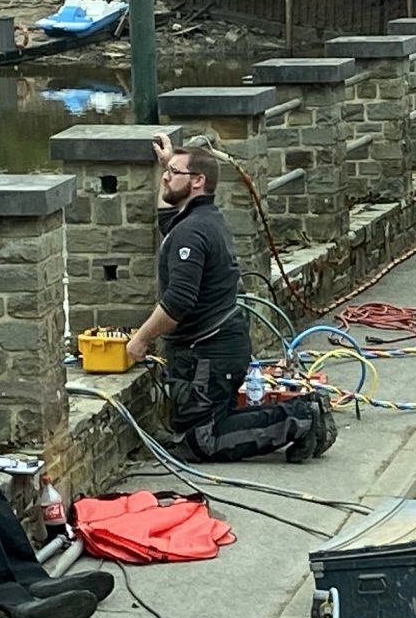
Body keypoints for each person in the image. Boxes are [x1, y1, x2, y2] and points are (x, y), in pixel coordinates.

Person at [126, 146, 335, 463]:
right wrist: (167, 164)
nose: (166, 178)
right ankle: (299, 414)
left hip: (210, 354)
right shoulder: (200, 218)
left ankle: (301, 417)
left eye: (173, 173)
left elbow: (179, 301)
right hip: (217, 348)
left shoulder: (193, 230)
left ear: (198, 181)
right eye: (167, 173)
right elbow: (166, 216)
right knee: (192, 429)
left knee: (202, 442)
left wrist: (140, 339)